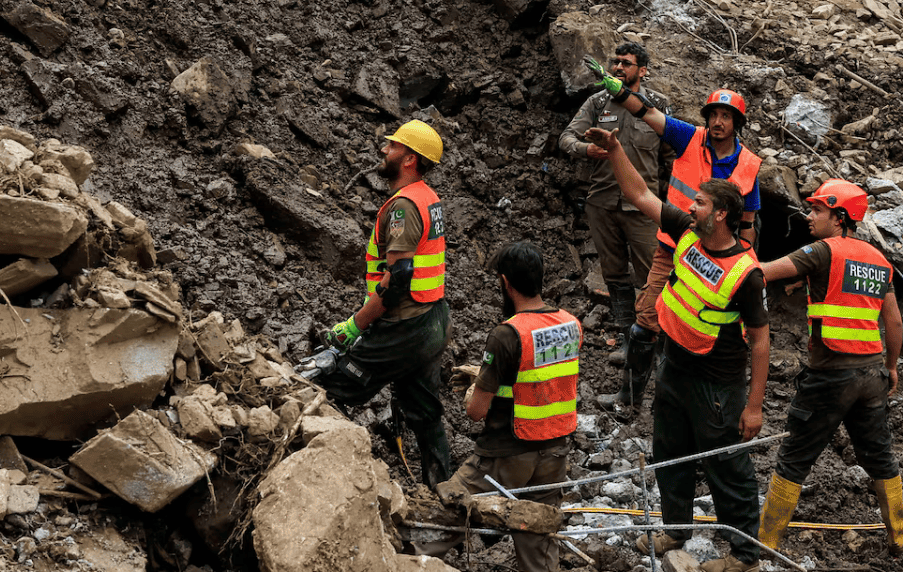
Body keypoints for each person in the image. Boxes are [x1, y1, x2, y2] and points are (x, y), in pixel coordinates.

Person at [584, 127, 767, 572]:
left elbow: (761, 341)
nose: (691, 206)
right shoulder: (687, 231)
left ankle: (743, 555)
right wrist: (615, 150)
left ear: (720, 214)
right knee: (669, 451)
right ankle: (676, 529)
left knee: (727, 468)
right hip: (675, 368)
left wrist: (755, 406)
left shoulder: (746, 273)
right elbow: (641, 194)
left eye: (700, 202)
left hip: (717, 386)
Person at [754, 180, 903, 558]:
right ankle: (900, 538)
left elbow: (763, 272)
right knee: (880, 457)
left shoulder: (823, 251)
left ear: (839, 218)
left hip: (830, 377)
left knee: (794, 457)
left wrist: (725, 260)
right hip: (872, 375)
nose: (809, 217)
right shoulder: (878, 259)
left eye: (817, 211)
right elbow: (894, 323)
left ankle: (765, 543)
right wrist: (891, 367)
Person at [416, 241, 577, 572]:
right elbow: (541, 379)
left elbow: (476, 410)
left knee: (444, 517)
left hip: (505, 456)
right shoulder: (570, 324)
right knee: (538, 540)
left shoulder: (507, 334)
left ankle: (408, 560)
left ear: (505, 282)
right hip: (555, 454)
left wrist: (478, 386)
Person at [312, 121, 455, 490]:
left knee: (333, 389)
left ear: (409, 158)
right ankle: (445, 492)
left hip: (405, 327)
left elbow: (397, 283)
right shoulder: (428, 197)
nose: (383, 150)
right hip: (433, 318)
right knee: (425, 413)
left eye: (391, 147)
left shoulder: (404, 207)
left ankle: (323, 481)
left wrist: (355, 325)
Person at [558, 44, 670, 374]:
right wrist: (586, 149)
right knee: (616, 276)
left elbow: (672, 156)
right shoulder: (596, 103)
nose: (619, 67)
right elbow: (566, 138)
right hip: (602, 203)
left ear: (643, 70)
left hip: (645, 208)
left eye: (627, 63)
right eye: (616, 62)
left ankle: (662, 344)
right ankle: (628, 340)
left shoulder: (656, 106)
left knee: (655, 275)